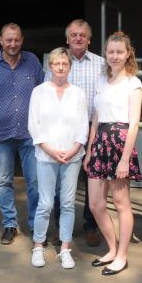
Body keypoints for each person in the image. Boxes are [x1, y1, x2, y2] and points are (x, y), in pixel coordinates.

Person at [0, 23, 44, 245]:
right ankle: (10, 224)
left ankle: (35, 226)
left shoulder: (32, 61)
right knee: (4, 180)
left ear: (22, 40)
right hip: (0, 133)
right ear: (0, 40)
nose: (13, 44)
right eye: (8, 40)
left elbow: (45, 94)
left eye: (16, 40)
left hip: (30, 133)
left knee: (34, 181)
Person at [83, 31, 142, 276]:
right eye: (111, 52)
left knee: (121, 204)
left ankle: (122, 256)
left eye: (120, 52)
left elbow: (134, 123)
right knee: (96, 204)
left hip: (120, 143)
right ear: (105, 54)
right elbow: (96, 119)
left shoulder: (133, 83)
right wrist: (89, 151)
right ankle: (111, 248)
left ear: (128, 53)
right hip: (99, 143)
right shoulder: (100, 80)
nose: (115, 56)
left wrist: (125, 159)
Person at [45, 19, 105, 247]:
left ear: (89, 39)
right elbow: (46, 94)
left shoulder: (101, 64)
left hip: (94, 127)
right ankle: (61, 228)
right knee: (62, 183)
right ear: (67, 39)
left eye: (82, 35)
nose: (77, 38)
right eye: (73, 35)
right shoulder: (58, 63)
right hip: (64, 130)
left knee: (92, 180)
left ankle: (91, 226)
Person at [28, 47, 89, 269]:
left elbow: (84, 124)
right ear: (49, 66)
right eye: (56, 64)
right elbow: (33, 125)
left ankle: (65, 248)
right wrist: (50, 149)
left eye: (65, 64)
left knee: (67, 203)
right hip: (46, 155)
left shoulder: (79, 93)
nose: (61, 67)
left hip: (72, 157)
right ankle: (38, 246)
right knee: (45, 203)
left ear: (70, 67)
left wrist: (74, 149)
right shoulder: (39, 92)